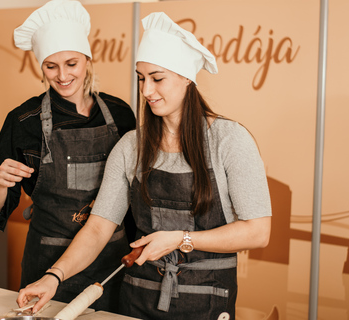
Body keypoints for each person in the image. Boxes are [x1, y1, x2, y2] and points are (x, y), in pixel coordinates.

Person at [16, 11, 271, 320]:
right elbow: (98, 227)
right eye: (142, 79)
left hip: (207, 297)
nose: (147, 91)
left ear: (187, 78)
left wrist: (180, 239)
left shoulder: (229, 140)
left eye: (157, 78)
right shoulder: (131, 146)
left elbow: (258, 232)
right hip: (138, 298)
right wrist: (53, 276)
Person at [0, 0, 136, 313]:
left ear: (88, 60)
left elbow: (133, 197)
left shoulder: (120, 114)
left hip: (111, 263)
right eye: (51, 66)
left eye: (71, 64)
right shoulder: (24, 121)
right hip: (47, 264)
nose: (62, 75)